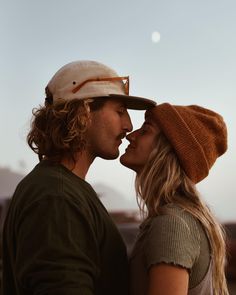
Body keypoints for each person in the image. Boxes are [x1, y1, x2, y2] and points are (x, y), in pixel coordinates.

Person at [1, 60, 156, 295]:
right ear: (84, 112)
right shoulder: (56, 196)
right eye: (120, 111)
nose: (128, 125)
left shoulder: (63, 188)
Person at [120, 103, 229, 295]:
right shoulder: (179, 219)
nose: (131, 135)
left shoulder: (172, 225)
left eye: (145, 130)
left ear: (167, 151)